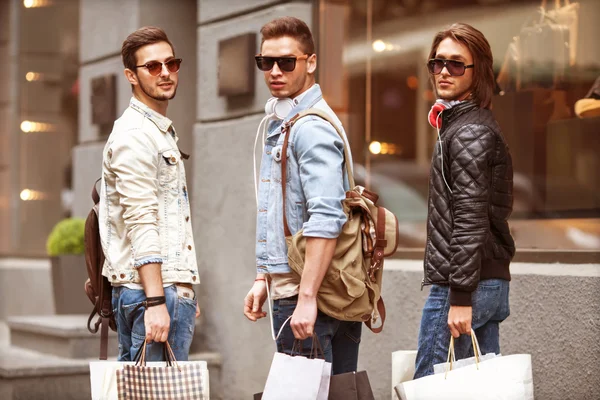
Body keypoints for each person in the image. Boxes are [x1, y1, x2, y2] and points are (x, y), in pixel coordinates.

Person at [243, 16, 361, 374]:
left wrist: (306, 298)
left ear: (311, 63)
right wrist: (264, 277)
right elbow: (283, 211)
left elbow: (326, 216)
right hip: (311, 290)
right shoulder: (287, 123)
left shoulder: (309, 128)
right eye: (266, 62)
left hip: (307, 295)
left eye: (286, 62)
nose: (274, 71)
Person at [414, 23, 515, 378]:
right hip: (483, 280)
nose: (443, 71)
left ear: (479, 72)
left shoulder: (469, 130)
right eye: (437, 62)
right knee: (482, 386)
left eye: (456, 64)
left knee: (428, 384)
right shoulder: (461, 124)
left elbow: (470, 218)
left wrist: (459, 297)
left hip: (463, 285)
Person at [99, 26, 200, 362]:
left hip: (162, 290)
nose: (166, 73)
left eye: (172, 63)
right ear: (131, 75)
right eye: (153, 66)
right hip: (149, 295)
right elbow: (141, 220)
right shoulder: (135, 135)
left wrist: (181, 288)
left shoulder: (156, 131)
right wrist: (158, 301)